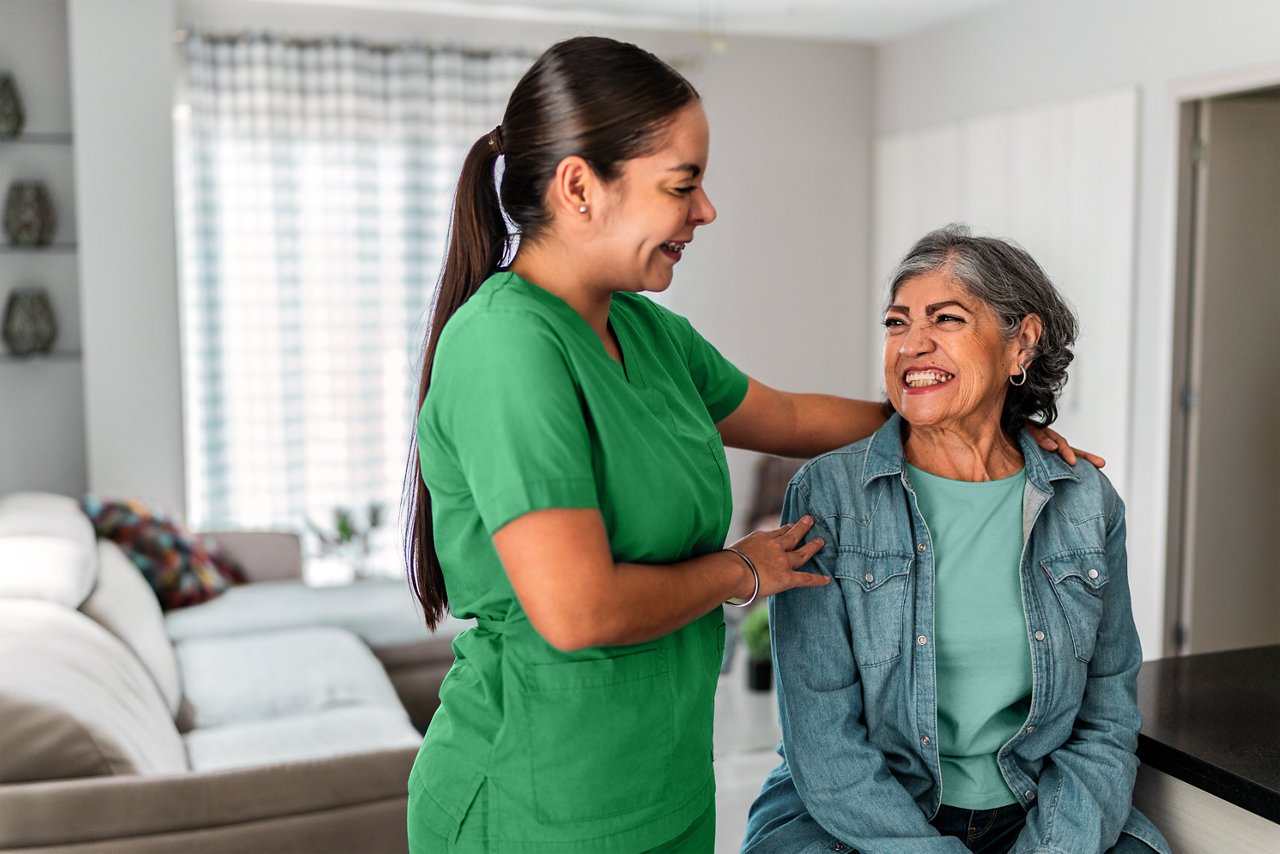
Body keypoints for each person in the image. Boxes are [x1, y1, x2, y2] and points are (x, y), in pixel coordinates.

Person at [404, 38, 1092, 852]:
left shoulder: (644, 331)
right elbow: (578, 609)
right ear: (580, 187)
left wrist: (982, 417)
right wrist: (746, 569)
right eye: (682, 185)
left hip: (664, 783)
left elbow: (794, 419)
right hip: (535, 797)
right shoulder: (505, 349)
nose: (706, 211)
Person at [740, 225, 1170, 854]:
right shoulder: (828, 495)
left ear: (1020, 343)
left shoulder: (1085, 501)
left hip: (1032, 810)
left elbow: (1105, 721)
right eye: (895, 323)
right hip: (866, 819)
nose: (912, 345)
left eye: (946, 319)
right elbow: (822, 737)